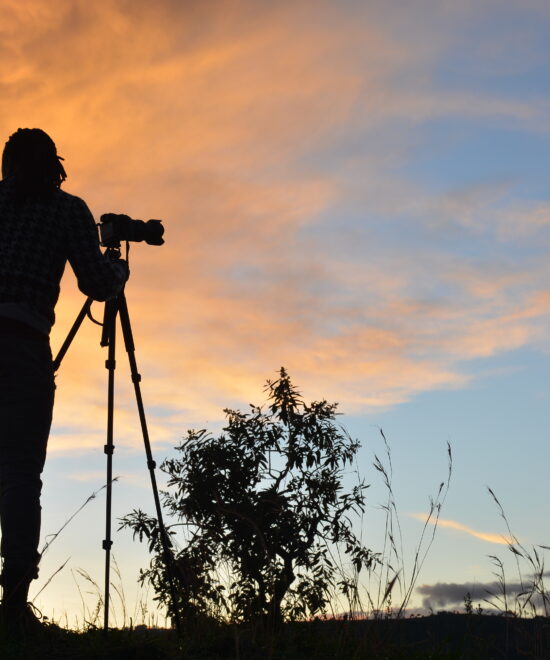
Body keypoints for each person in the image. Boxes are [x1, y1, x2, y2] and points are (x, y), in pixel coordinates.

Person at [0, 128, 127, 635]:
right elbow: (95, 284)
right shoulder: (67, 208)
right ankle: (13, 607)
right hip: (24, 343)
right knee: (19, 475)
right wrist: (118, 270)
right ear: (55, 165)